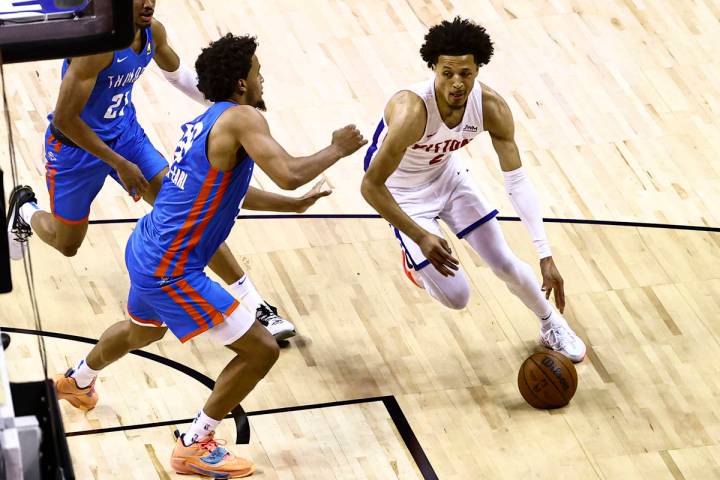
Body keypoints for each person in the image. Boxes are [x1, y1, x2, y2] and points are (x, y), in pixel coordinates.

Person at [54, 33, 367, 477]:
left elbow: (230, 191)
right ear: (241, 83)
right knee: (261, 351)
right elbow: (289, 173)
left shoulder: (209, 120)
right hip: (172, 268)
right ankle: (194, 443)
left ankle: (77, 380)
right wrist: (337, 147)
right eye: (258, 72)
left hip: (148, 246)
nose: (262, 79)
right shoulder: (244, 119)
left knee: (141, 331)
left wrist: (292, 206)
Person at [5, 0, 305, 340]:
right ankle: (25, 210)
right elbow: (64, 119)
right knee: (67, 242)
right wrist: (119, 164)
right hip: (75, 147)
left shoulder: (152, 32)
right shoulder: (96, 48)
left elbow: (182, 77)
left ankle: (254, 303)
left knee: (188, 210)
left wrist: (232, 113)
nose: (148, 3)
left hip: (125, 135)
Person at [361, 17, 586, 362]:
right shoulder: (412, 112)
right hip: (401, 192)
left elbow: (517, 181)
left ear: (478, 69)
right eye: (447, 73)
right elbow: (370, 187)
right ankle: (413, 263)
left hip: (448, 178)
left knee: (505, 263)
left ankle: (551, 323)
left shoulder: (491, 108)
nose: (456, 83)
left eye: (465, 73)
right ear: (433, 67)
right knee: (457, 297)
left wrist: (545, 254)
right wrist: (420, 236)